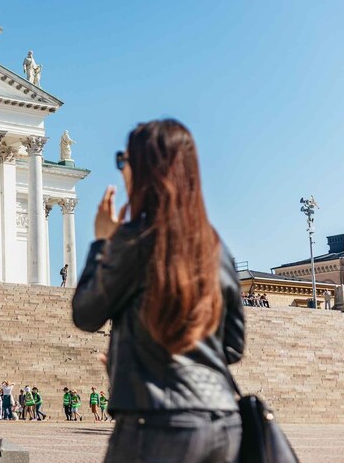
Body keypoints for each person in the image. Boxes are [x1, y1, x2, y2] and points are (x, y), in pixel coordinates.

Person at [72, 119, 244, 463]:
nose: (122, 171)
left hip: (156, 424)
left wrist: (103, 243)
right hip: (224, 424)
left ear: (147, 170)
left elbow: (86, 314)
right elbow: (232, 346)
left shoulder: (135, 239)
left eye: (125, 160)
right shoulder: (216, 247)